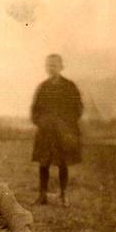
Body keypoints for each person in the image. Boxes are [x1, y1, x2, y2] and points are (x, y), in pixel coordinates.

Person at [31, 54, 83, 207]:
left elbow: (78, 108)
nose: (51, 68)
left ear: (61, 67)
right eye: (48, 65)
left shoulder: (69, 86)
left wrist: (66, 124)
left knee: (63, 163)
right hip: (46, 132)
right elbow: (35, 110)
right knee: (43, 163)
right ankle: (42, 195)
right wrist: (42, 122)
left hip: (63, 132)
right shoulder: (43, 87)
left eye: (54, 65)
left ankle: (63, 195)